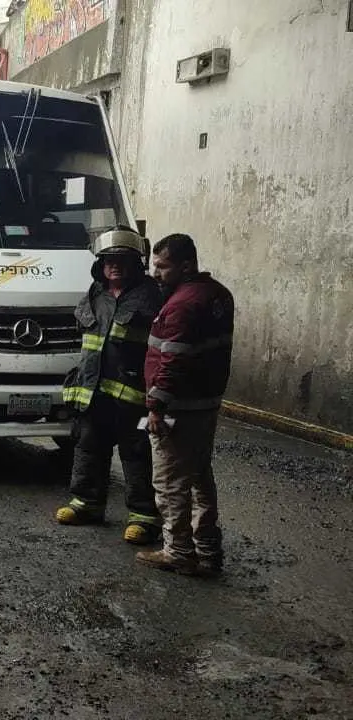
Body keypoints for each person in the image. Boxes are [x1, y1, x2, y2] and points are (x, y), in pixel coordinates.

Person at [57, 227, 164, 544]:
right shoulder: (94, 295)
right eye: (108, 260)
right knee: (88, 447)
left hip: (133, 396)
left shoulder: (151, 298)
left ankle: (144, 517)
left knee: (136, 454)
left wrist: (158, 396)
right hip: (94, 391)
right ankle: (86, 504)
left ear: (136, 264)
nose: (114, 265)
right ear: (100, 264)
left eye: (122, 260)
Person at [136, 233, 234, 577]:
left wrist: (156, 407)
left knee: (170, 482)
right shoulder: (218, 295)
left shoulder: (181, 305)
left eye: (163, 267)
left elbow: (172, 362)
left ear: (186, 266)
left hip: (179, 408)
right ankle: (208, 548)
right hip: (206, 403)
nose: (156, 273)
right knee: (199, 475)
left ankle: (178, 551)